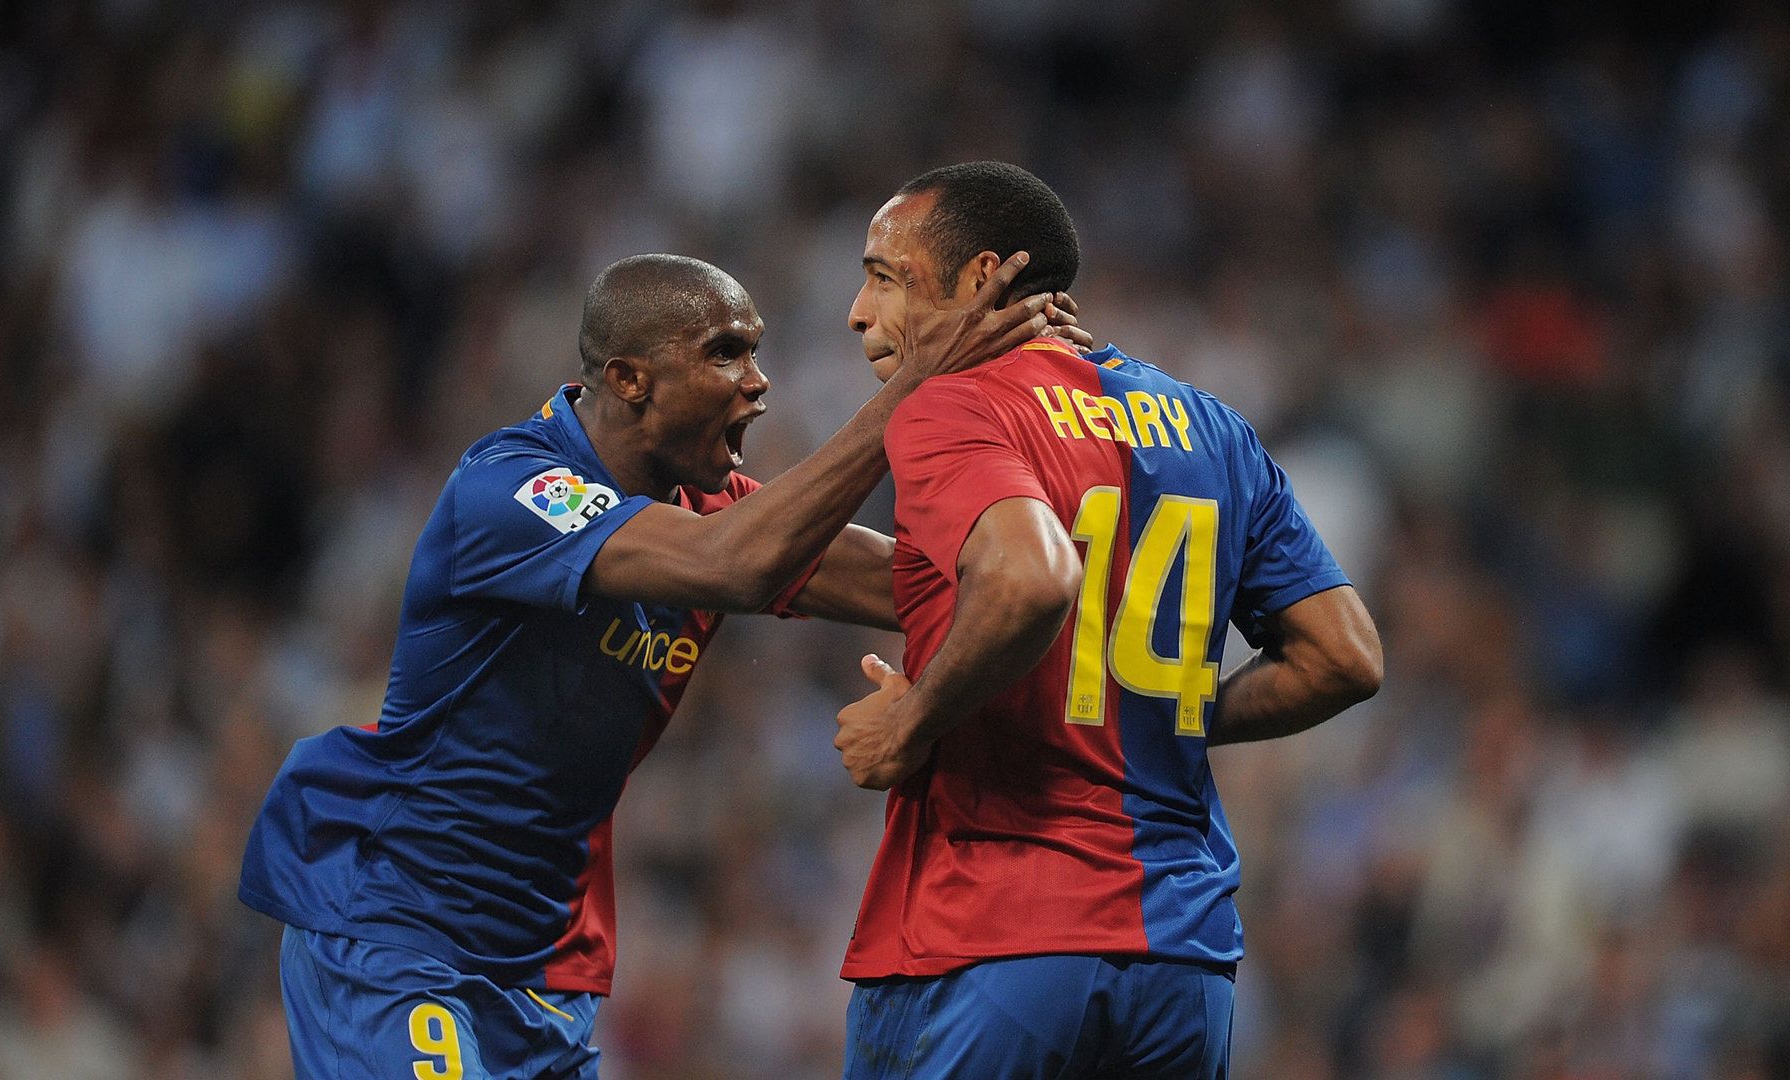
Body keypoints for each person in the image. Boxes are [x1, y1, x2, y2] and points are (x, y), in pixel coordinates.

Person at [239, 251, 1083, 1079]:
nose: (757, 381)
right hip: (396, 927)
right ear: (629, 378)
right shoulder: (513, 489)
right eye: (725, 353)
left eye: (754, 351)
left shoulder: (710, 508)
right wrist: (913, 388)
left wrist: (1048, 454)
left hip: (542, 964)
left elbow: (921, 581)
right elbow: (735, 564)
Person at [832, 161, 1385, 1079]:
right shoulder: (1212, 425)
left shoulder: (951, 406)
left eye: (885, 277)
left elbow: (1031, 579)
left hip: (993, 935)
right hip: (1183, 959)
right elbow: (1345, 657)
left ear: (982, 280)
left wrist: (913, 716)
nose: (858, 310)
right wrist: (1158, 709)